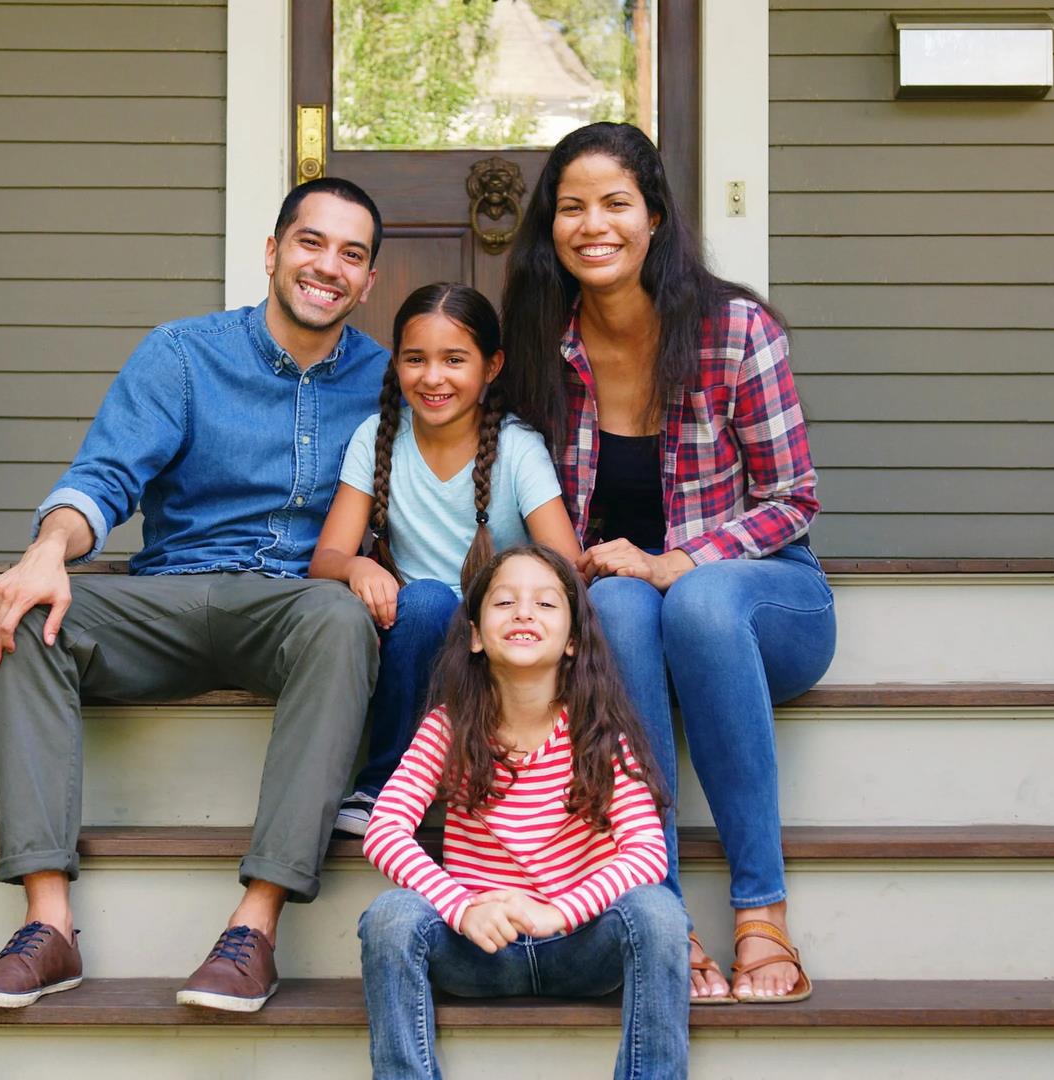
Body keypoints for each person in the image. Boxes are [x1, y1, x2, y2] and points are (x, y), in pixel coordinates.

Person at [0, 177, 391, 1013]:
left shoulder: (387, 380)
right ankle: (48, 929)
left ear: (368, 282)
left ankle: (253, 930)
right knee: (30, 613)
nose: (327, 266)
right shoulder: (183, 354)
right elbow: (107, 476)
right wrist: (47, 551)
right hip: (172, 597)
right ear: (272, 252)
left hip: (294, 612)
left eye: (351, 254)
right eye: (310, 242)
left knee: (341, 620)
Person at [500, 122, 838, 1005]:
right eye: (571, 207)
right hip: (633, 620)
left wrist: (675, 559)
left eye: (615, 202)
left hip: (767, 605)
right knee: (610, 611)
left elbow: (792, 501)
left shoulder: (734, 330)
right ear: (550, 227)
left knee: (693, 601)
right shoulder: (545, 343)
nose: (593, 224)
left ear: (655, 215)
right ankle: (660, 916)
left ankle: (761, 909)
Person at [358, 545, 688, 1079]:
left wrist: (557, 913)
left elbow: (648, 856)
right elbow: (385, 829)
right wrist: (462, 908)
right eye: (505, 601)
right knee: (391, 916)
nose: (524, 613)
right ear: (474, 634)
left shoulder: (600, 734)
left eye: (546, 604)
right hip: (478, 948)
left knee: (658, 911)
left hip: (581, 945)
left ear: (575, 641)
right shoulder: (447, 727)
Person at [310, 283, 579, 837]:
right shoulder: (377, 438)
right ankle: (382, 784)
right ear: (397, 364)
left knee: (451, 605)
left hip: (501, 636)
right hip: (413, 633)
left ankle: (510, 781)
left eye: (454, 360)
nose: (433, 378)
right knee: (428, 600)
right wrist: (359, 566)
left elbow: (566, 566)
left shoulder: (516, 447)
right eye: (416, 359)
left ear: (491, 365)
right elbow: (326, 557)